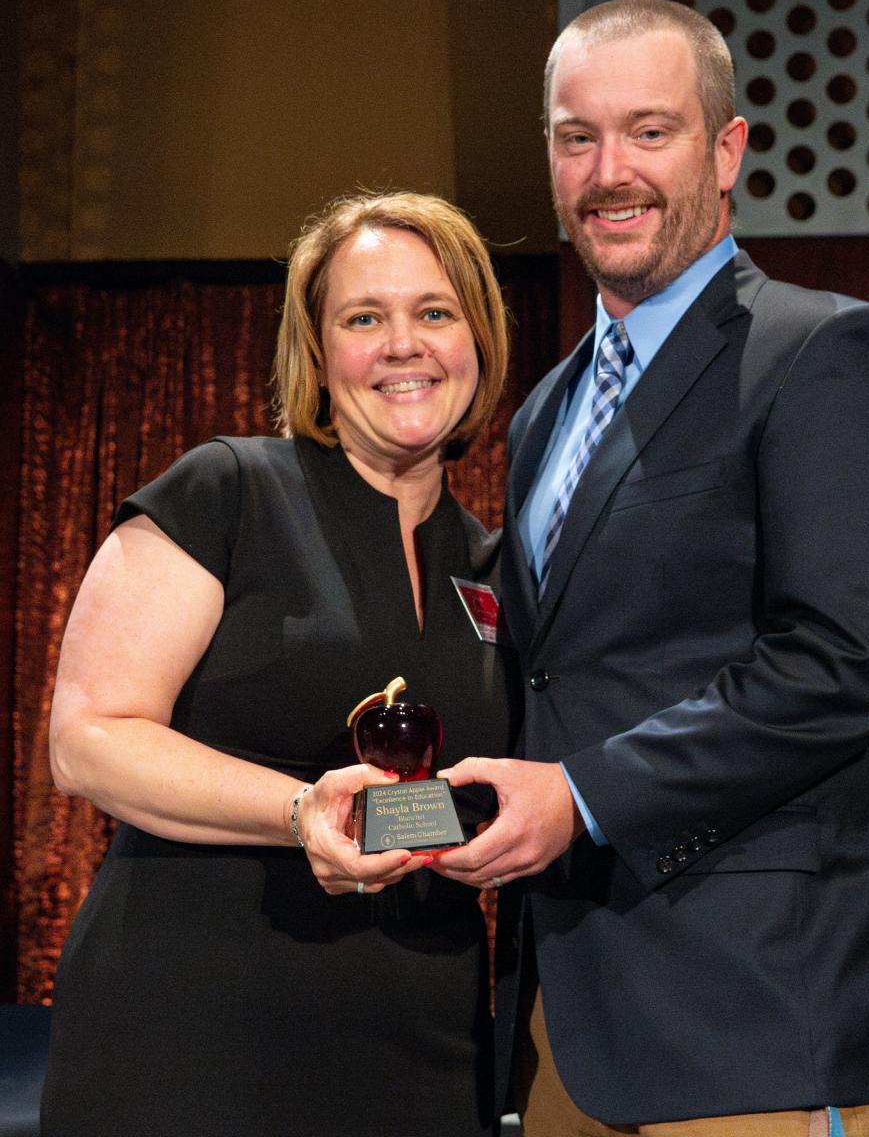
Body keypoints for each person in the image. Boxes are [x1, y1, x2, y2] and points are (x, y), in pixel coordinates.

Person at [434, 0, 869, 1136]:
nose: (610, 171)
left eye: (650, 131)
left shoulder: (826, 353)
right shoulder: (546, 411)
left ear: (726, 150)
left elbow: (843, 665)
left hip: (752, 1020)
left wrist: (579, 795)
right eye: (578, 138)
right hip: (561, 1028)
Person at [41, 191, 519, 1137]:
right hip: (190, 1037)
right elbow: (87, 739)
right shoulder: (227, 489)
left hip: (423, 1049)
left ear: (479, 338)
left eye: (434, 312)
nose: (403, 344)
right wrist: (300, 811)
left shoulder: (494, 562)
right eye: (364, 317)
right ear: (317, 347)